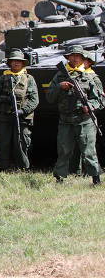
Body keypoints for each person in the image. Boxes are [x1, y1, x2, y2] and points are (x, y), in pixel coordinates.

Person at [47, 45, 102, 185]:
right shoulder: (59, 75)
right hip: (65, 120)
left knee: (89, 151)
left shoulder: (89, 76)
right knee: (64, 150)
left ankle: (95, 178)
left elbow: (99, 99)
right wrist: (60, 87)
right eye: (72, 55)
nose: (75, 58)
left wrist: (90, 106)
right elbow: (50, 98)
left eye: (78, 56)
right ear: (68, 57)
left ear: (83, 59)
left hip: (85, 120)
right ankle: (60, 178)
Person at [0, 49, 38, 171]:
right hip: (5, 117)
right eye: (13, 61)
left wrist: (23, 111)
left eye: (18, 61)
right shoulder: (3, 78)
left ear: (23, 63)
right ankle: (2, 169)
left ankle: (23, 169)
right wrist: (5, 99)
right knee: (3, 144)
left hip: (22, 118)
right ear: (10, 63)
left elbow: (34, 100)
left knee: (22, 143)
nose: (16, 63)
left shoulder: (29, 79)